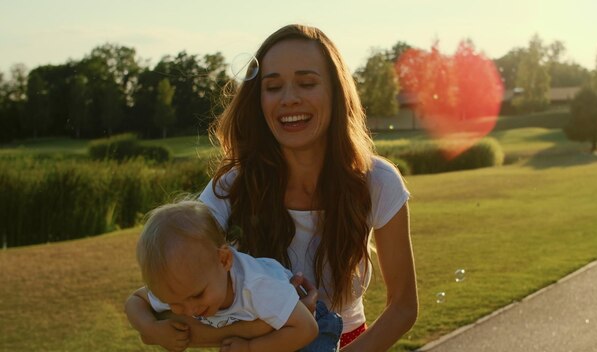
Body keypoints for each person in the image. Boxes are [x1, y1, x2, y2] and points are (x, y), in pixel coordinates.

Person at [129, 23, 418, 351]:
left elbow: (404, 307)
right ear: (258, 100)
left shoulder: (377, 182)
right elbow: (175, 294)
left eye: (307, 83)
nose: (290, 99)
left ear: (336, 92)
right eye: (273, 87)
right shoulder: (233, 186)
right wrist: (255, 334)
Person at [126, 199, 323, 352]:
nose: (189, 310)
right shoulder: (184, 286)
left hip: (309, 333)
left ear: (224, 260)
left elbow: (306, 329)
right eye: (174, 303)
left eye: (197, 295)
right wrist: (151, 328)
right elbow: (135, 300)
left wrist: (250, 348)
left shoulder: (258, 287)